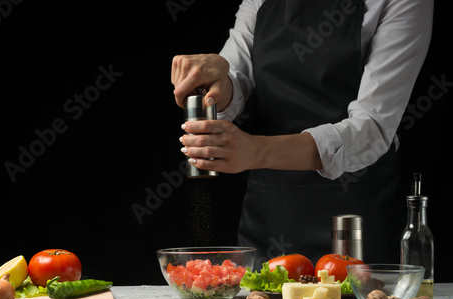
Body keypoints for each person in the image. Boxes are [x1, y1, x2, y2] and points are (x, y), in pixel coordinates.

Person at [171, 0, 433, 268]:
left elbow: (372, 129)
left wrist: (256, 151)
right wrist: (215, 81)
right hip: (270, 213)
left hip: (356, 217)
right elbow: (236, 77)